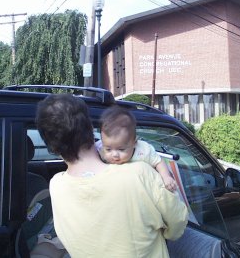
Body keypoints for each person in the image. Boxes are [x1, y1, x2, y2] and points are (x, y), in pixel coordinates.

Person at [36, 94, 188, 258]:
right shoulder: (140, 174)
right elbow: (178, 223)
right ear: (90, 128)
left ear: (52, 147)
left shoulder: (56, 186)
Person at [96, 105, 177, 192]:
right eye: (108, 149)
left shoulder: (143, 150)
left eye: (121, 149)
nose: (115, 155)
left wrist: (166, 177)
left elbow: (158, 162)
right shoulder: (99, 148)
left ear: (134, 143)